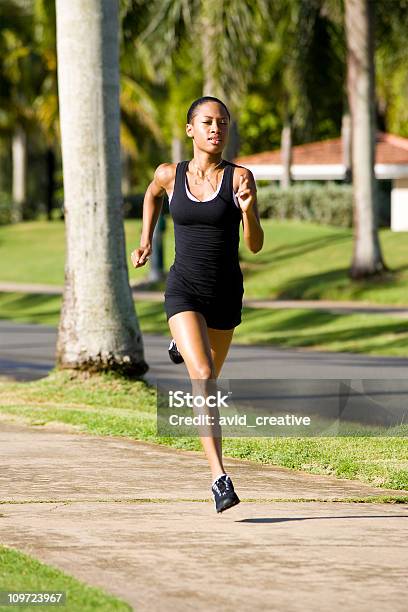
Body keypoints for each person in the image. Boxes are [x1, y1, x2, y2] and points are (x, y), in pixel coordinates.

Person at [131, 96, 264, 513]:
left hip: (225, 294)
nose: (215, 129)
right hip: (184, 289)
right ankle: (218, 477)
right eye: (207, 122)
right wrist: (146, 238)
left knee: (207, 380)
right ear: (190, 129)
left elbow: (255, 246)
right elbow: (151, 196)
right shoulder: (170, 175)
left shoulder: (240, 177)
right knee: (203, 375)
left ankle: (182, 344)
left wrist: (249, 212)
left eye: (222, 122)